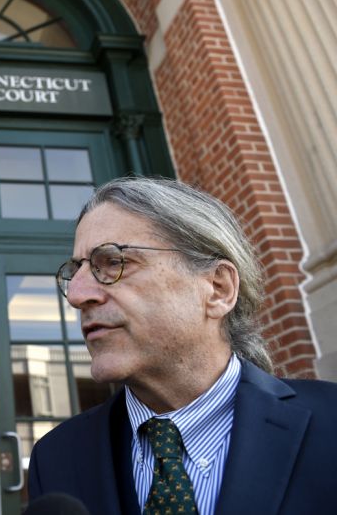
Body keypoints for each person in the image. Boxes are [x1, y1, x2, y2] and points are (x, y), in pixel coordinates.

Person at [28, 177, 337, 515]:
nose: (76, 295)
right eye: (75, 272)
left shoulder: (329, 423)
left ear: (218, 288)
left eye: (114, 262)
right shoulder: (55, 458)